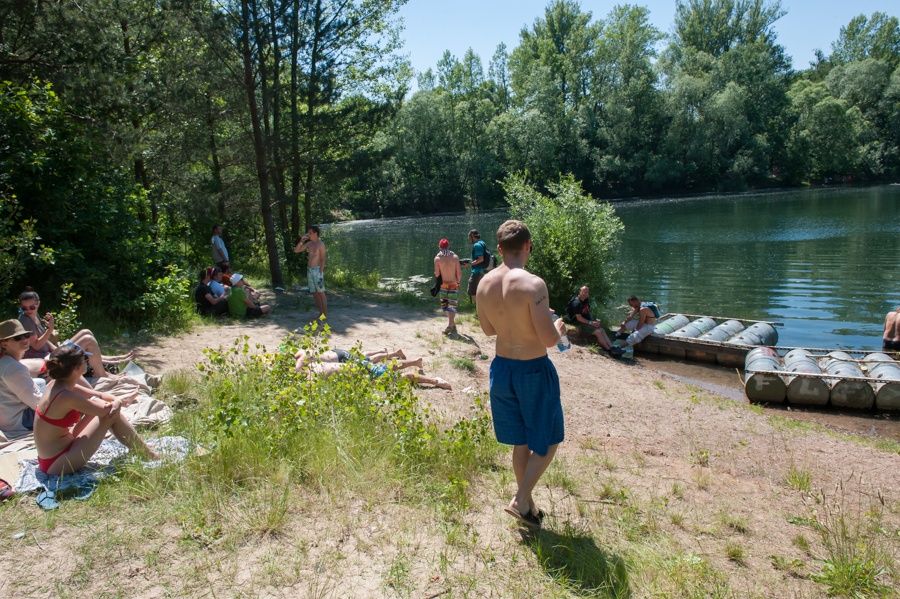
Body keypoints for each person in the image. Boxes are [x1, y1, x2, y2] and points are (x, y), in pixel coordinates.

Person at [475, 220, 568, 529]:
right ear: (528, 246)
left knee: (521, 441)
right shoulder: (533, 285)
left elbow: (488, 330)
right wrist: (558, 329)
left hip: (502, 368)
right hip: (533, 369)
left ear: (499, 249)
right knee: (550, 438)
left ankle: (527, 507)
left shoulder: (484, 283)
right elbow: (548, 340)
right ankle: (520, 498)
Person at [34, 344, 158, 476]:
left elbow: (99, 395)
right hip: (58, 463)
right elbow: (108, 411)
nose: (87, 363)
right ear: (77, 368)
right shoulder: (65, 396)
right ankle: (147, 453)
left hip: (55, 454)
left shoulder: (56, 384)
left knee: (100, 404)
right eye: (84, 361)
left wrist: (114, 400)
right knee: (111, 415)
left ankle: (143, 449)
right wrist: (120, 401)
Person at [18, 289, 133, 378]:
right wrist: (50, 330)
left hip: (50, 354)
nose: (28, 310)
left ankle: (112, 360)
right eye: (24, 308)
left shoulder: (34, 316)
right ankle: (102, 374)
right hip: (44, 360)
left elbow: (44, 341)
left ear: (38, 304)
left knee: (85, 332)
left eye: (32, 307)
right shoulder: (25, 321)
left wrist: (57, 349)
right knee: (88, 340)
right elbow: (36, 345)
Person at [305, 351, 451, 390]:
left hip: (362, 371)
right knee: (387, 366)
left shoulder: (312, 374)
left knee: (402, 378)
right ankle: (415, 362)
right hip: (360, 367)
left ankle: (435, 381)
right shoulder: (312, 367)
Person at [0, 319, 43, 438]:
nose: (24, 339)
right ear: (4, 344)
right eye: (17, 338)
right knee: (59, 391)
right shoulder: (13, 367)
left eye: (26, 335)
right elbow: (37, 403)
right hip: (19, 422)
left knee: (43, 383)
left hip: (6, 419)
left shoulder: (5, 362)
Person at [565, 286, 614, 351]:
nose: (585, 294)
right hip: (577, 322)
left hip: (586, 321)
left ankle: (612, 348)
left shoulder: (585, 300)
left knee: (602, 330)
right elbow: (579, 318)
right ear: (580, 292)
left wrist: (594, 321)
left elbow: (587, 312)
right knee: (598, 332)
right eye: (584, 292)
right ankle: (609, 350)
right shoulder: (576, 303)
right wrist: (590, 323)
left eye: (587, 292)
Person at [294, 225, 327, 318]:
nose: (308, 235)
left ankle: (325, 314)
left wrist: (321, 271)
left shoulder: (320, 244)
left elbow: (323, 259)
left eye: (310, 233)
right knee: (314, 293)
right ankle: (321, 313)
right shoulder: (309, 244)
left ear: (316, 233)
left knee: (321, 292)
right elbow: (296, 251)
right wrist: (301, 241)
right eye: (308, 233)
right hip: (310, 271)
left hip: (317, 271)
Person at [434, 238, 462, 336]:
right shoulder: (455, 257)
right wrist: (458, 282)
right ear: (448, 246)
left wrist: (436, 273)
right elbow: (459, 273)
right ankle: (452, 324)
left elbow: (437, 274)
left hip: (443, 284)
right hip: (453, 283)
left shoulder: (437, 259)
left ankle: (450, 325)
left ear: (439, 247)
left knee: (445, 304)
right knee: (452, 304)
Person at [461, 229, 488, 303]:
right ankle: (483, 309)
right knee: (480, 291)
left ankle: (481, 309)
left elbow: (481, 259)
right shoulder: (482, 243)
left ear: (472, 236)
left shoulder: (477, 245)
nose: (470, 239)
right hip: (482, 270)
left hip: (477, 271)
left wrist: (469, 264)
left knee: (471, 291)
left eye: (470, 237)